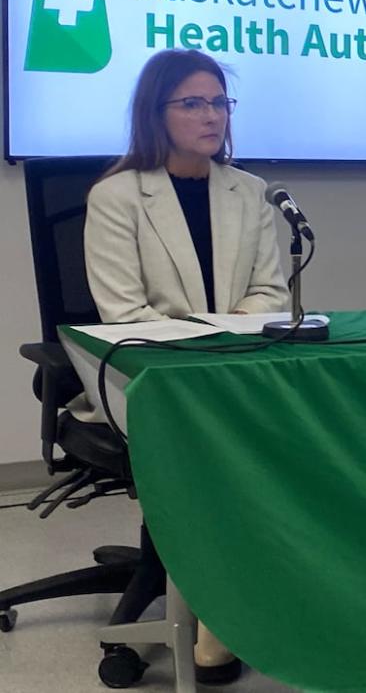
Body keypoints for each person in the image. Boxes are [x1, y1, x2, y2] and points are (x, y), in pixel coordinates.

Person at [84, 48, 288, 685]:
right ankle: (213, 607)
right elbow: (125, 315)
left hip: (230, 369)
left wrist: (219, 346)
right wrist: (213, 340)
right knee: (211, 438)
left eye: (220, 102)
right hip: (145, 375)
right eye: (193, 103)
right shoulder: (116, 196)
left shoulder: (250, 191)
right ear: (157, 112)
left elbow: (271, 294)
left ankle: (251, 594)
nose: (212, 116)